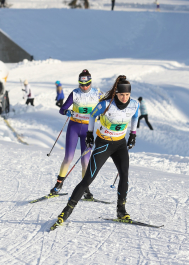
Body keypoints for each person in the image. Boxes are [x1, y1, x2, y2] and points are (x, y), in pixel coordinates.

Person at [51, 75, 139, 229]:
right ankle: (66, 211)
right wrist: (90, 134)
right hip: (104, 144)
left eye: (127, 95)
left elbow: (135, 116)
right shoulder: (105, 104)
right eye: (121, 94)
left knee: (124, 175)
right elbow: (92, 115)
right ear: (116, 93)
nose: (124, 98)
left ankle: (121, 210)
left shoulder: (134, 104)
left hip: (120, 144)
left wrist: (133, 134)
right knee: (88, 179)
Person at [49, 69, 102, 200]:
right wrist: (67, 112)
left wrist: (102, 116)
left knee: (85, 161)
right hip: (74, 127)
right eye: (81, 85)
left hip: (88, 130)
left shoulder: (97, 94)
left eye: (87, 84)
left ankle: (85, 189)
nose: (84, 87)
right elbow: (62, 109)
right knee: (68, 158)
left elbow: (106, 108)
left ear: (91, 82)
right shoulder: (75, 93)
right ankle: (58, 185)